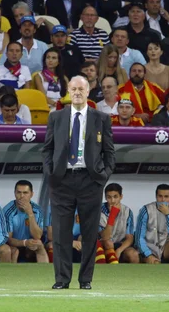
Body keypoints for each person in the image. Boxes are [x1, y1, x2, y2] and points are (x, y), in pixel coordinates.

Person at [42, 75, 115, 290]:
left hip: (89, 181)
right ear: (68, 90)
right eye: (73, 89)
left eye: (80, 89)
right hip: (62, 181)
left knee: (90, 233)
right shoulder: (56, 117)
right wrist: (51, 174)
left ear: (88, 91)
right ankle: (62, 280)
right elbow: (47, 149)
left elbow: (109, 152)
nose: (76, 92)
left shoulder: (101, 118)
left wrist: (102, 177)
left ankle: (86, 280)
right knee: (61, 233)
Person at [135, 184, 169, 264]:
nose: (163, 200)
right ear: (156, 196)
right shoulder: (146, 210)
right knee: (155, 264)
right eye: (160, 196)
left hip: (165, 249)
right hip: (149, 249)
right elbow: (139, 238)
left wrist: (168, 214)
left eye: (166, 197)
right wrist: (148, 255)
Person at [2, 180, 47, 263]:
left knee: (39, 245)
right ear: (15, 193)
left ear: (31, 194)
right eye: (18, 192)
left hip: (30, 244)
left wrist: (30, 213)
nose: (21, 196)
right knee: (14, 251)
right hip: (14, 245)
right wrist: (24, 243)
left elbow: (37, 236)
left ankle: (44, 273)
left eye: (25, 193)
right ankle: (10, 275)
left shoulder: (37, 210)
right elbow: (8, 239)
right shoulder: (7, 211)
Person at [98, 183, 138, 264]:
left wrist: (119, 250)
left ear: (121, 197)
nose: (112, 201)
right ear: (105, 197)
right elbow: (105, 237)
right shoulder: (99, 211)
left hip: (120, 244)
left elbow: (129, 238)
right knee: (108, 243)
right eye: (109, 197)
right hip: (103, 244)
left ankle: (134, 276)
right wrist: (112, 214)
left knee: (133, 254)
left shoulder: (127, 211)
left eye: (115, 197)